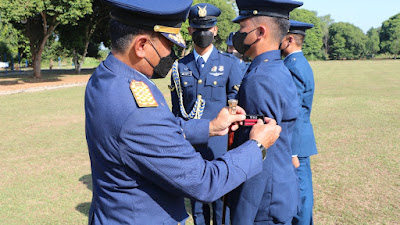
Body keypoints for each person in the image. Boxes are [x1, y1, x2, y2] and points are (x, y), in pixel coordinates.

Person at [85, 0, 282, 224]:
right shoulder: (139, 108)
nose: (172, 54)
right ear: (141, 45)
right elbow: (203, 181)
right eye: (168, 45)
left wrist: (209, 127)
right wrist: (257, 147)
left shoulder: (105, 76)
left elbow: (158, 131)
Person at [227, 0, 303, 224]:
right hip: (277, 192)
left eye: (242, 28)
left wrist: (243, 214)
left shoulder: (260, 78)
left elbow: (261, 154)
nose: (238, 34)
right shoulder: (275, 69)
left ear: (260, 32)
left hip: (262, 204)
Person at [170, 3, 244, 225]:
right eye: (197, 29)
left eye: (207, 29)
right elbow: (177, 112)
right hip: (192, 148)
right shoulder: (179, 66)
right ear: (190, 30)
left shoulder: (230, 64)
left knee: (222, 205)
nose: (202, 34)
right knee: (198, 206)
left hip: (221, 147)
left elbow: (236, 105)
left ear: (215, 30)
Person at [280, 20, 318, 225]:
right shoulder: (297, 63)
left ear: (290, 39)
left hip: (295, 142)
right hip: (299, 139)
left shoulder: (292, 67)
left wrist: (292, 151)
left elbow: (293, 112)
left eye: (281, 37)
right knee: (301, 191)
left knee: (300, 196)